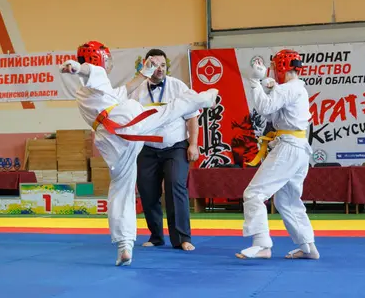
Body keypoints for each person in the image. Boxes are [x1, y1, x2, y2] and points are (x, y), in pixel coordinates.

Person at [60, 40, 218, 266]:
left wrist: (144, 73)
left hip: (111, 141)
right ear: (100, 60)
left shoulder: (87, 93)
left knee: (120, 190)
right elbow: (88, 69)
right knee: (168, 111)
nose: (110, 63)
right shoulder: (96, 74)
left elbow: (124, 90)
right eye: (108, 59)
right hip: (124, 123)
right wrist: (76, 67)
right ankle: (206, 98)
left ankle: (124, 245)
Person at [236, 49, 319, 260]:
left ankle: (262, 244)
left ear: (281, 67)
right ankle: (308, 247)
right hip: (298, 147)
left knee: (254, 193)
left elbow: (264, 108)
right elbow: (272, 114)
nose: (272, 70)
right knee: (288, 199)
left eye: (274, 66)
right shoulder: (296, 88)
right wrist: (267, 86)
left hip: (289, 147)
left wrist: (255, 82)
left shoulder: (289, 88)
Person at [130, 49, 198, 251]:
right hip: (147, 148)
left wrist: (193, 144)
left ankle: (182, 238)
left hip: (175, 146)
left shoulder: (178, 86)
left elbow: (192, 117)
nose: (159, 69)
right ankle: (156, 236)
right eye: (154, 65)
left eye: (163, 65)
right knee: (147, 190)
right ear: (145, 66)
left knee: (175, 186)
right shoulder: (138, 90)